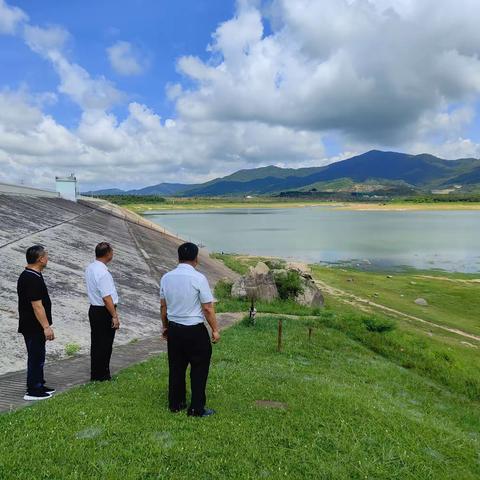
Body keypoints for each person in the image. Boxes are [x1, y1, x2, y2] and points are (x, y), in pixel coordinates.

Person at [160, 242, 220, 417]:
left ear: (178, 257)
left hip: (174, 329)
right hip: (194, 330)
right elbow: (208, 308)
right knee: (199, 368)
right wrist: (215, 329)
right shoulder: (198, 278)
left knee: (176, 366)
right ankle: (196, 408)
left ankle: (176, 403)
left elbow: (163, 306)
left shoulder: (166, 277)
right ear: (196, 259)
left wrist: (165, 326)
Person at [17, 245, 56, 401]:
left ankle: (39, 383)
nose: (47, 258)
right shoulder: (31, 278)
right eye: (46, 255)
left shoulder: (34, 275)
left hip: (35, 325)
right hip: (33, 325)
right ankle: (33, 390)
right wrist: (46, 327)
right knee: (35, 357)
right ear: (40, 259)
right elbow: (36, 305)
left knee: (39, 356)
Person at [85, 242, 120, 381]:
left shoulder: (91, 267)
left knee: (96, 343)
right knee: (105, 344)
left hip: (94, 308)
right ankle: (103, 374)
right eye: (112, 251)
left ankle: (96, 372)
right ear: (108, 254)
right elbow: (106, 298)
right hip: (104, 310)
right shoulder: (103, 272)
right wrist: (114, 316)